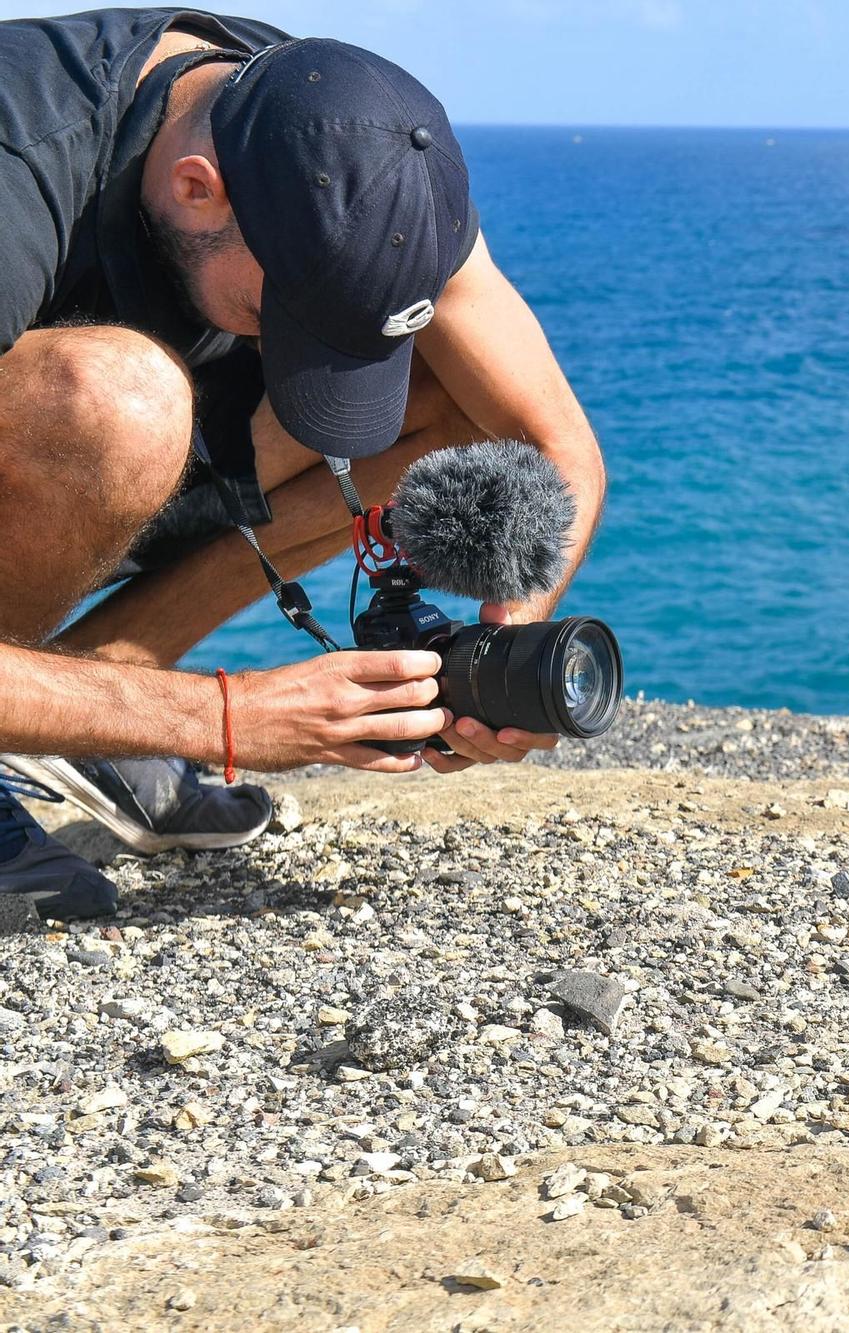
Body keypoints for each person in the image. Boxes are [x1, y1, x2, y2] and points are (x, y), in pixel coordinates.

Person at [0, 10, 607, 918]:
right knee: (118, 401)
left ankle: (88, 704)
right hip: (68, 434)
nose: (311, 361)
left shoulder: (364, 165)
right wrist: (220, 717)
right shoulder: (23, 158)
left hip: (134, 468)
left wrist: (499, 651)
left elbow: (558, 449)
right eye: (283, 317)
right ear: (197, 189)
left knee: (450, 403)